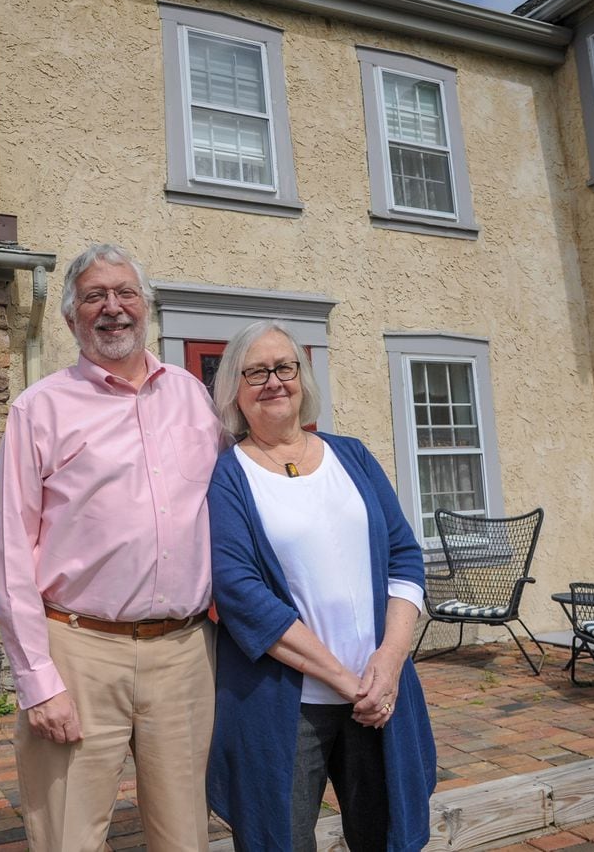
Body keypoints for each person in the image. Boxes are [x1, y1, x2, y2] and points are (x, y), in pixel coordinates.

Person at [0, 243, 220, 851]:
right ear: (70, 318)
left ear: (147, 308)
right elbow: (11, 552)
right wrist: (38, 680)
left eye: (125, 293)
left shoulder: (194, 397)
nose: (113, 308)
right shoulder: (39, 410)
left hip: (185, 653)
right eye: (95, 297)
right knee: (68, 836)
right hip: (79, 650)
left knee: (186, 836)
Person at [206, 320, 436, 852]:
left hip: (380, 692)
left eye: (284, 367)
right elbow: (242, 595)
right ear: (235, 391)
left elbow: (404, 556)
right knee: (280, 839)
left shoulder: (351, 455)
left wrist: (391, 660)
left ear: (302, 378)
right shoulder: (230, 476)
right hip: (290, 704)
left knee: (384, 833)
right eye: (256, 371)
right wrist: (343, 679)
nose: (273, 381)